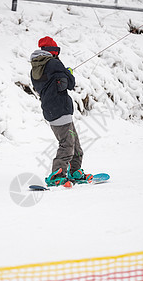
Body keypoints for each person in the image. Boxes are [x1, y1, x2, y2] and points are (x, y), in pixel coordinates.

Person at [30, 36, 92, 187]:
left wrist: (63, 74)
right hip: (60, 108)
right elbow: (69, 84)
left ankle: (75, 171)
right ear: (53, 51)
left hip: (52, 110)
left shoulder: (35, 68)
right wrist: (68, 72)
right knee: (67, 143)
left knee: (74, 142)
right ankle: (57, 174)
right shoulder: (53, 63)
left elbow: (55, 83)